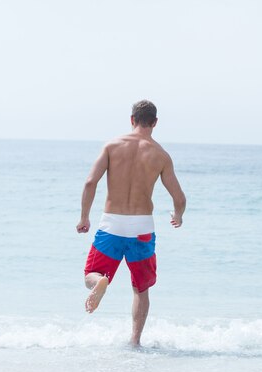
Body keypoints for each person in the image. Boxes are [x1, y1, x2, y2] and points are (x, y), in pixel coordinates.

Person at [76, 100, 186, 346]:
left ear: (131, 119)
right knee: (141, 289)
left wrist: (84, 217)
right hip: (142, 228)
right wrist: (178, 216)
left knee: (89, 276)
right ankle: (135, 342)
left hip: (111, 224)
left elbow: (90, 183)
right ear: (155, 123)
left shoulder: (112, 146)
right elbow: (179, 197)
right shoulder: (161, 155)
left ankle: (99, 282)